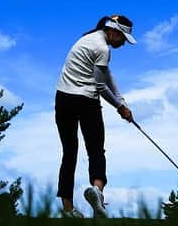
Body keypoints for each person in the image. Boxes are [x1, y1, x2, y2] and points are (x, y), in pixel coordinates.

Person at [55, 15, 136, 218]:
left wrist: (122, 101)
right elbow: (100, 86)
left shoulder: (88, 39)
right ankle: (97, 191)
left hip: (63, 99)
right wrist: (120, 108)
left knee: (69, 153)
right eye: (123, 39)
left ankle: (68, 209)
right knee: (96, 149)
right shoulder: (103, 49)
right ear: (113, 32)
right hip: (85, 101)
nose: (123, 43)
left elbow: (106, 74)